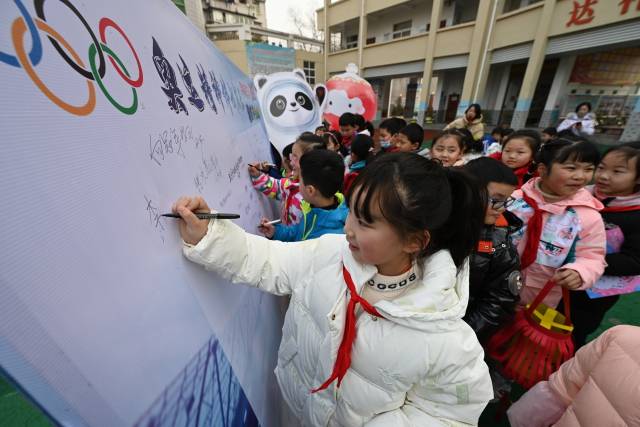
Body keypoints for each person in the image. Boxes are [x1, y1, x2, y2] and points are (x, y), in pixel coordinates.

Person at [171, 153, 493, 426]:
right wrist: (209, 233)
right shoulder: (329, 253)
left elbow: (449, 415)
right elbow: (267, 260)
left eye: (366, 222)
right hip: (297, 409)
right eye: (352, 211)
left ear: (414, 241)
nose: (349, 228)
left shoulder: (445, 338)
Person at [507, 139, 606, 309]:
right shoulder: (515, 199)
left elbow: (592, 256)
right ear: (543, 170)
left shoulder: (588, 216)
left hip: (538, 300)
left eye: (588, 169)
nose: (580, 176)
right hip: (493, 286)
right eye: (571, 168)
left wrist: (580, 271)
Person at [566, 145, 640, 349]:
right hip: (561, 278)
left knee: (574, 330)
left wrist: (584, 262)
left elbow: (635, 261)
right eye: (601, 168)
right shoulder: (581, 196)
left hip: (593, 293)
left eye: (617, 171)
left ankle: (565, 369)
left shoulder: (635, 214)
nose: (604, 176)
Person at [507, 325, 640, 427]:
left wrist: (522, 420)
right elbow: (561, 389)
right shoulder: (622, 337)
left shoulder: (624, 336)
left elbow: (560, 390)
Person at [463, 157, 522, 343]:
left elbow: (500, 300)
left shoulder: (499, 241)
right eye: (496, 200)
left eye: (506, 201)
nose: (501, 208)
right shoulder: (429, 223)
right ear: (467, 191)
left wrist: (461, 337)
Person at [259, 150, 348, 242]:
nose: (297, 182)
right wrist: (275, 232)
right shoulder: (312, 206)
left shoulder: (329, 237)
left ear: (310, 190)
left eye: (300, 180)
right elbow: (298, 232)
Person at [249, 133, 325, 225]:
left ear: (311, 162)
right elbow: (277, 188)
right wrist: (258, 176)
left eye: (295, 157)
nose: (291, 162)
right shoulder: (293, 180)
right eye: (291, 156)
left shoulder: (313, 200)